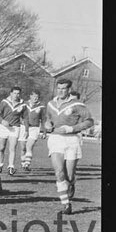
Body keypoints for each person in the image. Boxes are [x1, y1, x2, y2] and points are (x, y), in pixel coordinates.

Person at [44, 78, 94, 215]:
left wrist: (70, 129)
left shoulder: (77, 104)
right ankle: (66, 204)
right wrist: (47, 124)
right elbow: (48, 119)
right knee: (59, 172)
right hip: (55, 139)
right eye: (58, 88)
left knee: (69, 175)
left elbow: (89, 122)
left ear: (69, 90)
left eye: (64, 88)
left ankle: (71, 184)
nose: (60, 91)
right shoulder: (51, 103)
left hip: (72, 140)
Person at [0, 86, 26, 176]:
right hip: (4, 128)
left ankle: (11, 167)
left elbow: (25, 117)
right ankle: (0, 165)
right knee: (1, 148)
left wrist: (26, 128)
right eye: (14, 93)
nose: (16, 95)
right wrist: (2, 121)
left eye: (18, 93)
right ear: (11, 93)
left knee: (12, 148)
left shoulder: (22, 104)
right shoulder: (4, 102)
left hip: (15, 128)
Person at [19, 91, 46, 171]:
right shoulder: (24, 104)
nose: (35, 98)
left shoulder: (41, 107)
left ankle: (27, 164)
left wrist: (44, 131)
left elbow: (44, 119)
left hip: (34, 128)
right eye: (34, 96)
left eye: (37, 97)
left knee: (29, 146)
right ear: (30, 96)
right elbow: (18, 114)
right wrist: (21, 120)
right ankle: (23, 163)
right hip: (24, 128)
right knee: (23, 148)